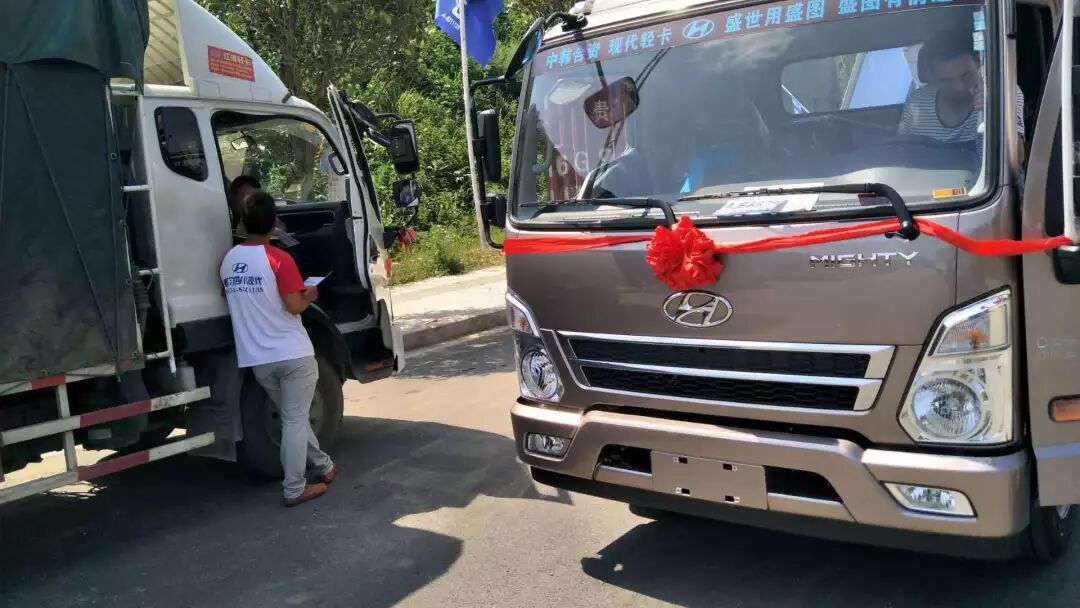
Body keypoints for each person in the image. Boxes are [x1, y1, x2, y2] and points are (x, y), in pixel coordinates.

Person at [219, 192, 337, 507]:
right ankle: (294, 487)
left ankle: (324, 465)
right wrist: (310, 294)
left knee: (291, 416)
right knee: (295, 419)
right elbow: (294, 305)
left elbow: (230, 295)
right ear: (274, 224)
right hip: (293, 355)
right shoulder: (279, 259)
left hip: (258, 360)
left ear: (242, 223)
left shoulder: (228, 261)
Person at [899, 28, 1025, 145]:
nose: (959, 87)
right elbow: (903, 152)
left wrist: (996, 113)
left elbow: (1017, 156)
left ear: (979, 62)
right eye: (947, 81)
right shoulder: (918, 103)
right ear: (934, 78)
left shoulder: (1004, 93)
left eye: (966, 76)